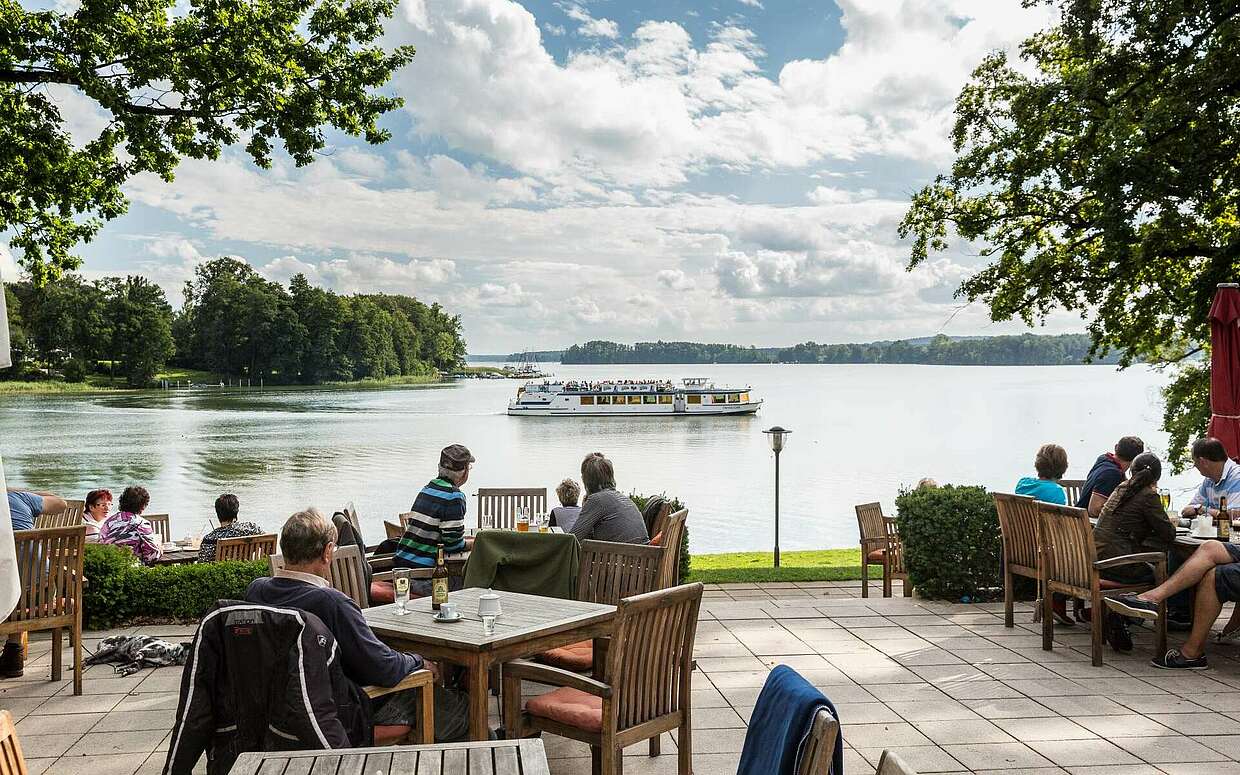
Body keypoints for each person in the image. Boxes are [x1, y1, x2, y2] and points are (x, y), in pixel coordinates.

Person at [246, 509, 448, 737]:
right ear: (327, 552)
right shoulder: (332, 603)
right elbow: (382, 669)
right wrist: (418, 661)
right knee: (458, 709)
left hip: (279, 714)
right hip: (342, 717)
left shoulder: (257, 590)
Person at [1093, 452, 1176, 652]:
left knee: (1154, 563)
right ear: (1156, 477)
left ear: (1132, 471)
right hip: (1116, 563)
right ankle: (1125, 615)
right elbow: (1169, 534)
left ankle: (1123, 616)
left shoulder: (1121, 488)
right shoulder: (1148, 495)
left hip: (1097, 556)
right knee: (1165, 573)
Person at [2, 487, 70, 677]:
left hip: (7, 597)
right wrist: (20, 491)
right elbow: (60, 503)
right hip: (42, 594)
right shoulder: (17, 498)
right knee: (19, 587)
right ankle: (13, 651)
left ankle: (13, 654)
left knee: (9, 588)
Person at [392, 444, 473, 595]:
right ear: (464, 472)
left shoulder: (429, 487)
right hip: (422, 577)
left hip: (402, 571)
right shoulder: (454, 496)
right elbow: (453, 545)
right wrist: (475, 543)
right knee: (473, 583)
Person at [570, 452, 649, 544]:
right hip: (640, 554)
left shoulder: (597, 500)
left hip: (621, 556)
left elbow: (574, 538)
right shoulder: (622, 498)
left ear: (587, 480)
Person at [1077, 436, 1145, 517]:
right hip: (1087, 525)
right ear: (1136, 460)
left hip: (1078, 522)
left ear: (1116, 447)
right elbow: (1094, 510)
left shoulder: (1104, 460)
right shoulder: (1111, 473)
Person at [99, 486, 163, 565]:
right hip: (131, 569)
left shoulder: (109, 522)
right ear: (142, 506)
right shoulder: (141, 524)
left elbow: (101, 545)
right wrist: (160, 548)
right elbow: (151, 556)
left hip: (109, 566)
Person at [1180, 437, 1240, 521]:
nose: (1194, 466)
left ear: (1202, 462)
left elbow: (1234, 515)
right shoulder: (1209, 480)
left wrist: (1202, 510)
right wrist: (1199, 509)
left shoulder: (1237, 476)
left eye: (1194, 461)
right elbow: (1190, 509)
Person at [197, 494, 262, 562]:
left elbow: (202, 564)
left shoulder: (209, 539)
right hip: (247, 570)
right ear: (236, 511)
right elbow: (269, 547)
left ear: (217, 513)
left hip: (223, 572)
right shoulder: (251, 528)